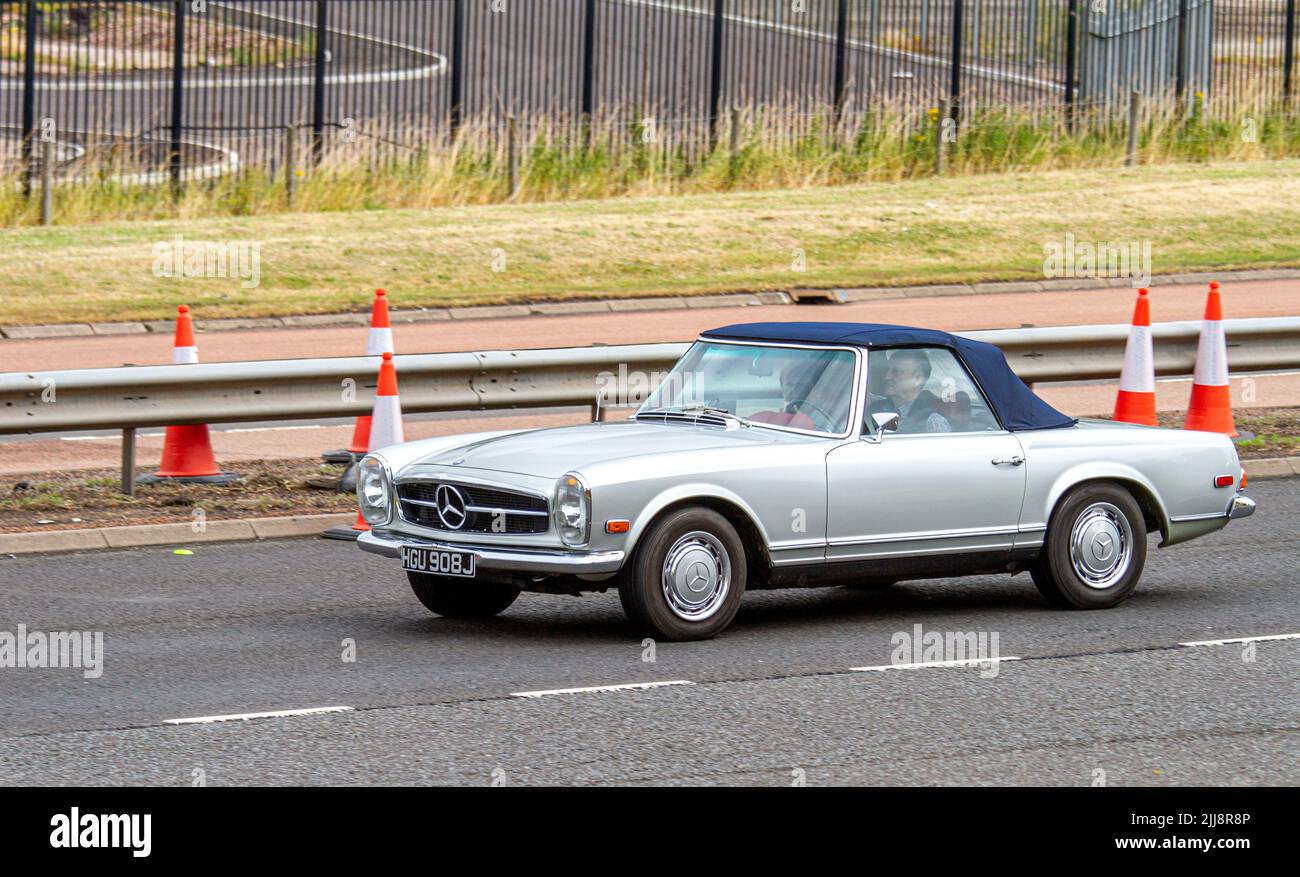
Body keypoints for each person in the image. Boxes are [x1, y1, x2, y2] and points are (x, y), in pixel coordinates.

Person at [868, 349, 951, 434]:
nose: (887, 377)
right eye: (887, 370)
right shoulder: (874, 409)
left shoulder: (933, 422)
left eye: (896, 372)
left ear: (917, 379)